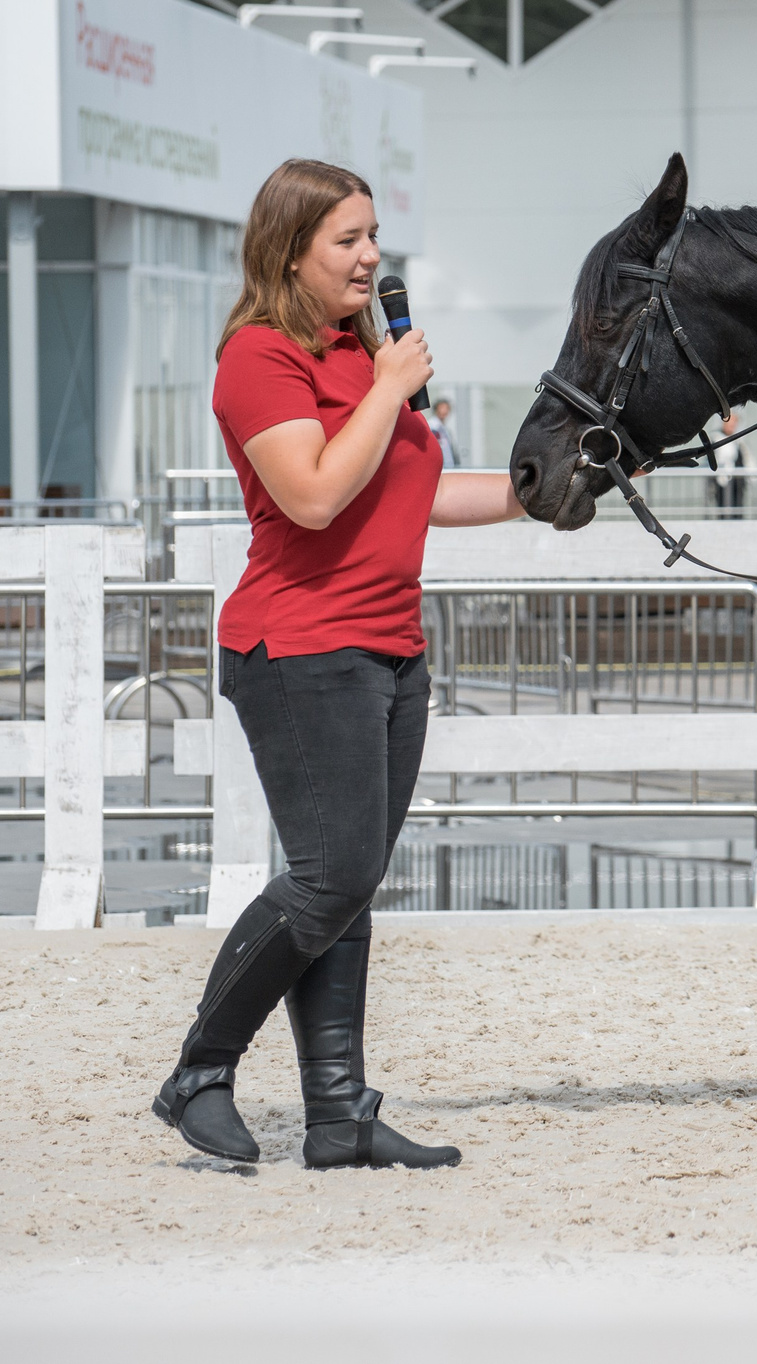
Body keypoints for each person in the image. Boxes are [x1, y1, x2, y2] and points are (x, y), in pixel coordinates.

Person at [150, 159, 526, 1171]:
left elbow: (414, 492)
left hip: (392, 649)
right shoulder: (259, 357)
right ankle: (200, 1069)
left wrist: (548, 488)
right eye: (346, 241)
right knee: (332, 875)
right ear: (290, 250)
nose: (371, 258)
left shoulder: (362, 360)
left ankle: (336, 1113)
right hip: (299, 647)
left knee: (348, 888)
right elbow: (314, 493)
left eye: (372, 238)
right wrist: (394, 384)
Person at [710, 410, 751, 518]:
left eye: (735, 422)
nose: (733, 425)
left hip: (738, 485)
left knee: (738, 511)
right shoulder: (717, 440)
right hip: (723, 485)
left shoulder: (739, 443)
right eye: (730, 421)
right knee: (724, 511)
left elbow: (747, 460)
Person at [422, 396, 461, 469]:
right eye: (442, 408)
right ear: (436, 409)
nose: (444, 411)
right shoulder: (432, 426)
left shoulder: (444, 429)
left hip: (448, 468)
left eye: (447, 408)